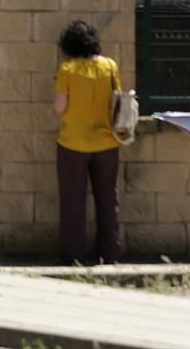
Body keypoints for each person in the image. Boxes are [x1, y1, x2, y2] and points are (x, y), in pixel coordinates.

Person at [53, 19, 126, 265]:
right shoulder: (110, 66)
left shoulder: (67, 69)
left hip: (73, 143)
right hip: (107, 142)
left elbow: (60, 107)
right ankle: (109, 252)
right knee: (107, 198)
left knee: (73, 200)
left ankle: (73, 255)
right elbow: (117, 100)